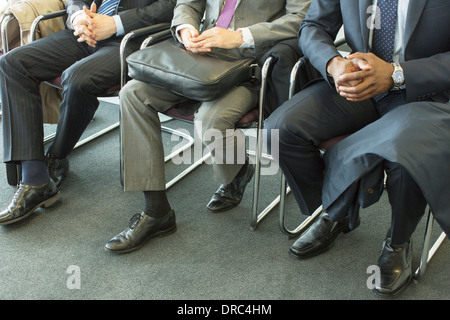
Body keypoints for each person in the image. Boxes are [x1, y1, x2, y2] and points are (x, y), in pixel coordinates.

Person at [264, 0, 449, 298]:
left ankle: (398, 241)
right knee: (281, 130)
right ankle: (336, 208)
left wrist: (396, 74)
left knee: (404, 155)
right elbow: (313, 26)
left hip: (424, 93)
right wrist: (333, 63)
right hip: (356, 83)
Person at [104, 0, 311, 254]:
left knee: (210, 120)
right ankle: (157, 212)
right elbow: (187, 4)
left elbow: (301, 18)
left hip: (250, 65)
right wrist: (185, 29)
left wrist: (239, 37)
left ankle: (237, 171)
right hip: (197, 52)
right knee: (132, 94)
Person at [0, 0, 176, 226]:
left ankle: (57, 155)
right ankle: (36, 179)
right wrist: (77, 18)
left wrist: (115, 23)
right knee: (12, 63)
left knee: (77, 79)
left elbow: (173, 5)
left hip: (131, 38)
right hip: (85, 32)